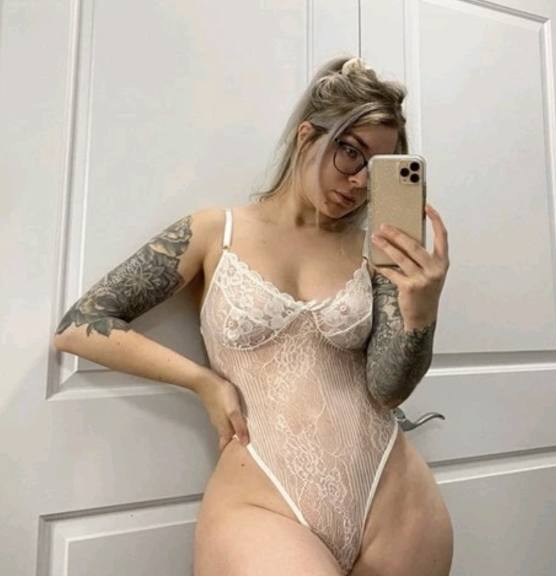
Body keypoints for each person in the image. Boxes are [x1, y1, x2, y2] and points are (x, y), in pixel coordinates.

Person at [53, 55, 452, 575]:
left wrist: (423, 310)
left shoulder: (373, 253)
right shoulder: (213, 232)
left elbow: (388, 388)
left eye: (375, 168)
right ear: (308, 136)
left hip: (393, 495)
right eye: (350, 153)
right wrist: (202, 381)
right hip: (264, 500)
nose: (358, 182)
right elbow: (80, 324)